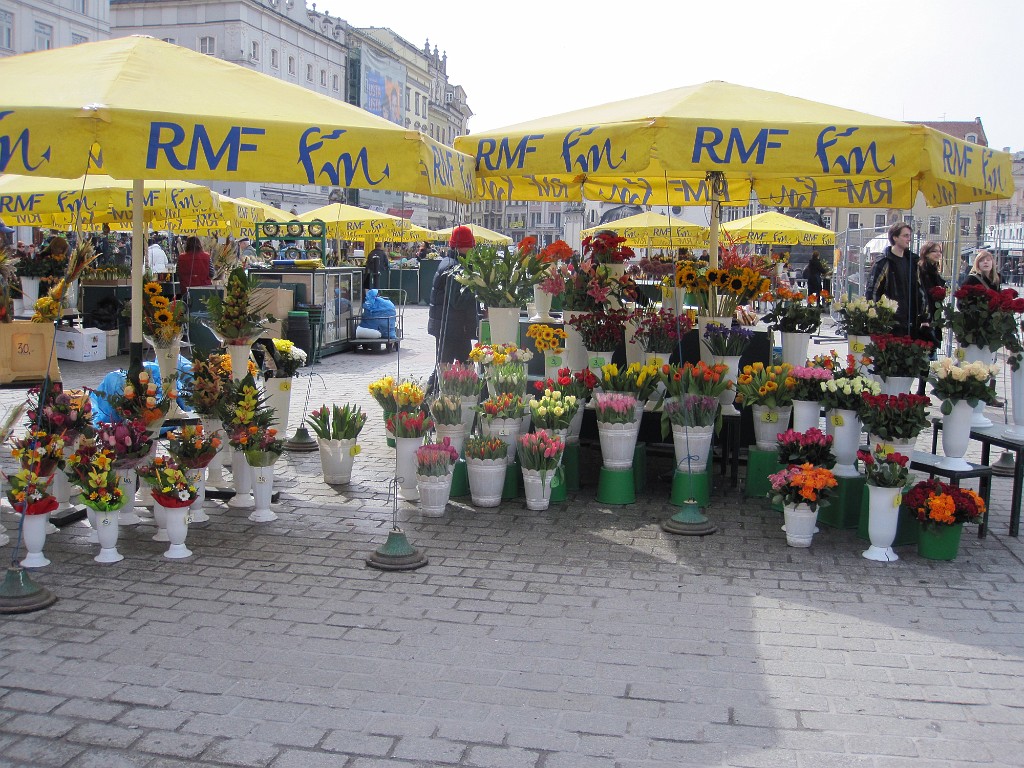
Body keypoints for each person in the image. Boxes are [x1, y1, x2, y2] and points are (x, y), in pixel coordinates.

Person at [426, 225, 479, 393]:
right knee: (450, 368)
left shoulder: (450, 263)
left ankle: (433, 398)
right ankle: (428, 399)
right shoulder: (454, 267)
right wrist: (477, 290)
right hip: (452, 327)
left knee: (451, 366)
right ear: (462, 247)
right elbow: (458, 300)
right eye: (471, 245)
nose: (473, 249)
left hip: (451, 325)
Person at [865, 221, 929, 340]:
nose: (909, 239)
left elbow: (921, 290)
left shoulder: (912, 261)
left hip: (911, 321)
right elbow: (872, 291)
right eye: (905, 236)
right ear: (895, 237)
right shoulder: (884, 262)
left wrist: (924, 317)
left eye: (909, 236)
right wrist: (878, 317)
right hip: (891, 323)